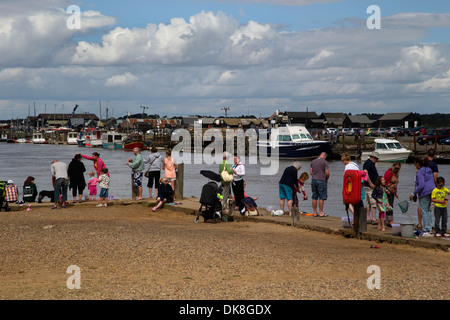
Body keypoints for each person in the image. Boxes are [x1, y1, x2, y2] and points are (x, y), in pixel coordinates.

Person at [410, 157, 435, 237]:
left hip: (424, 192)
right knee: (428, 211)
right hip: (432, 191)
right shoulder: (429, 169)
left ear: (417, 164)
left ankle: (426, 229)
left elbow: (421, 185)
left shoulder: (420, 172)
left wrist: (413, 193)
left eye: (415, 164)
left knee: (424, 211)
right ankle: (430, 228)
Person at [310, 152, 330, 217]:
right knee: (321, 197)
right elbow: (327, 173)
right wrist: (326, 179)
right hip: (321, 180)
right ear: (324, 156)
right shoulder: (325, 162)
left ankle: (315, 213)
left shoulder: (313, 161)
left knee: (314, 196)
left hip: (313, 180)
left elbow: (311, 172)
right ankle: (321, 212)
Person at [363, 152, 379, 224]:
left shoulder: (370, 163)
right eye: (376, 159)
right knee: (373, 202)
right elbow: (365, 172)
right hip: (369, 186)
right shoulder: (368, 163)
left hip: (369, 185)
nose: (377, 160)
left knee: (368, 202)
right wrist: (370, 183)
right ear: (373, 157)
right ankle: (373, 219)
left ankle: (368, 218)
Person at [383, 162, 401, 227]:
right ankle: (389, 220)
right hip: (388, 190)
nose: (397, 169)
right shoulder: (389, 172)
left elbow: (396, 184)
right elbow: (384, 182)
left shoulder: (396, 174)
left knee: (391, 205)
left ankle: (389, 220)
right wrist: (385, 190)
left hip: (393, 191)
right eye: (396, 168)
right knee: (389, 205)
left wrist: (396, 192)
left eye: (398, 168)